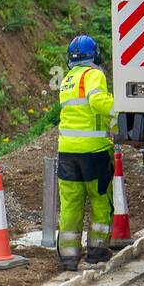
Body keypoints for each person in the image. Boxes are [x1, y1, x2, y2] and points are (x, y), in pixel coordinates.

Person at [57, 35, 117, 270]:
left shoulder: (68, 79)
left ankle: (69, 257)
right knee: (100, 202)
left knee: (70, 204)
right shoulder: (94, 74)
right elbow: (98, 102)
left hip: (66, 153)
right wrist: (122, 110)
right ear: (95, 55)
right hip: (94, 152)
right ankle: (97, 252)